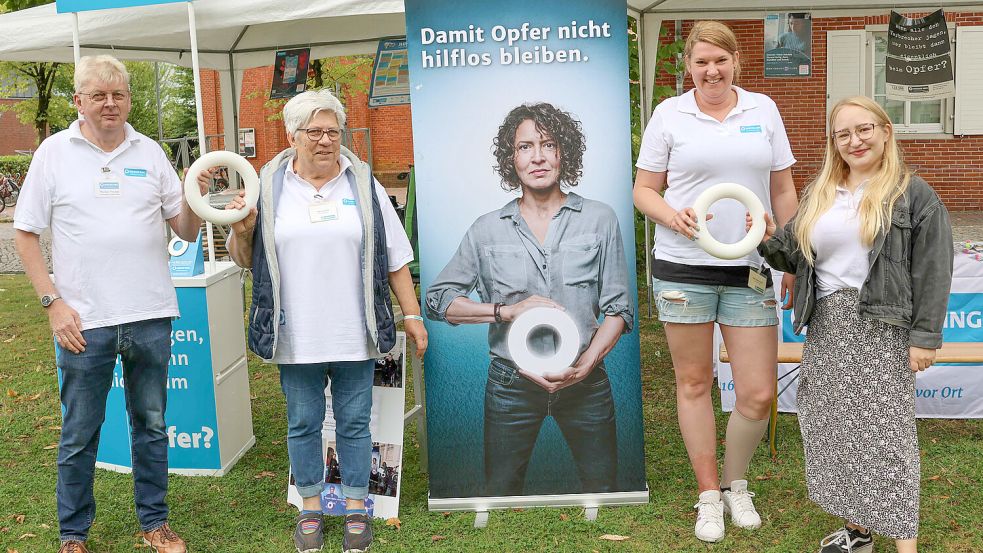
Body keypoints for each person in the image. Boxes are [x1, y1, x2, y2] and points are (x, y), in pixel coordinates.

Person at [216, 88, 427, 553]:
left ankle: (356, 508)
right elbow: (245, 259)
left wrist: (411, 314)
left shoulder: (363, 183)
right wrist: (241, 228)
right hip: (295, 334)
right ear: (293, 136)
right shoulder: (267, 187)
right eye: (315, 132)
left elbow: (394, 258)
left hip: (356, 331)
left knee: (355, 423)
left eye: (333, 131)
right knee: (303, 422)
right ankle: (310, 506)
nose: (326, 140)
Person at [13, 55, 202, 553]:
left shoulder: (152, 152)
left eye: (118, 94)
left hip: (149, 314)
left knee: (152, 427)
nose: (110, 103)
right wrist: (53, 303)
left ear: (129, 100)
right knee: (79, 433)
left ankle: (154, 523)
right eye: (98, 94)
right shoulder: (54, 153)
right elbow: (26, 233)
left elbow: (182, 227)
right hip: (84, 321)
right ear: (78, 101)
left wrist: (197, 202)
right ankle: (73, 535)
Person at [754, 96, 953, 553]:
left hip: (882, 329)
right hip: (828, 327)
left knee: (889, 437)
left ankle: (906, 545)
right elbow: (793, 253)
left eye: (863, 129)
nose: (854, 141)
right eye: (842, 134)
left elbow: (934, 269)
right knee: (834, 431)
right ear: (833, 142)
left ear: (885, 131)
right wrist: (767, 236)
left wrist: (924, 338)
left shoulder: (912, 193)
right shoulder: (821, 191)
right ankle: (858, 533)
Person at [633, 20, 798, 543]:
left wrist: (788, 253)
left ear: (735, 63)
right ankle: (709, 494)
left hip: (749, 267)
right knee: (695, 382)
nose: (711, 71)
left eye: (720, 60)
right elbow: (643, 190)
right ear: (688, 67)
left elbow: (784, 188)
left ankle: (736, 482)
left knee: (756, 392)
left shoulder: (762, 110)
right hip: (684, 266)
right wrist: (670, 215)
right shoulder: (668, 114)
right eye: (701, 62)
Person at [426, 102, 633, 496]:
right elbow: (438, 301)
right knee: (502, 491)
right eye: (525, 147)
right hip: (510, 384)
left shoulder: (600, 218)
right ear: (511, 158)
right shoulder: (486, 229)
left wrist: (586, 365)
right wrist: (505, 311)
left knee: (604, 490)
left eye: (548, 144)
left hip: (585, 380)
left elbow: (619, 308)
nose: (537, 156)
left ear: (563, 153)